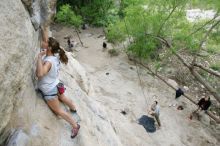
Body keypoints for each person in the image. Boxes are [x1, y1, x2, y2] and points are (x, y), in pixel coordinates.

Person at [36, 27, 80, 138]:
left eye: (45, 42)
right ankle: (74, 108)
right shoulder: (54, 56)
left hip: (50, 90)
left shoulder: (48, 62)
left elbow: (40, 74)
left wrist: (39, 59)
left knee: (59, 111)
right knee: (63, 98)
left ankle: (75, 125)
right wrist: (43, 28)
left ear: (49, 47)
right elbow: (47, 39)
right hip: (56, 84)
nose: (42, 42)